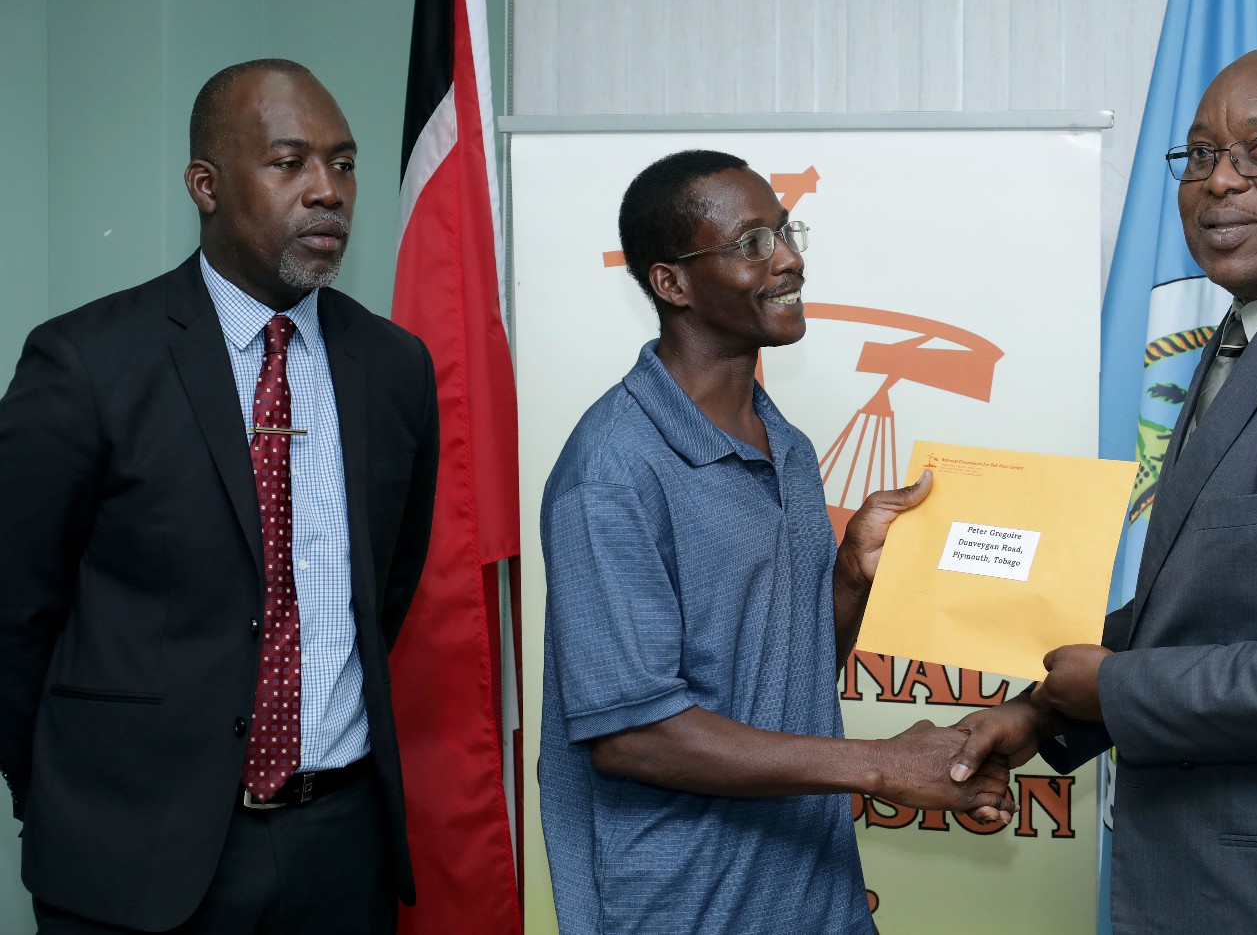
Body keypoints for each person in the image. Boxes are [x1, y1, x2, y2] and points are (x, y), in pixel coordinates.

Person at [950, 49, 1257, 934]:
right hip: (1217, 885)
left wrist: (1116, 690)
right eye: (1200, 155)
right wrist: (1042, 708)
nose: (1221, 181)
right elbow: (1213, 604)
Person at [0, 59, 440, 934]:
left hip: (340, 849)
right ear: (205, 185)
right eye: (289, 163)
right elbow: (14, 610)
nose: (328, 191)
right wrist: (64, 791)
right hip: (131, 852)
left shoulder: (395, 367)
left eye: (344, 164)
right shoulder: (87, 362)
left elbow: (386, 587)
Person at [538, 149, 1014, 935]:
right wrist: (885, 765)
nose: (789, 258)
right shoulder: (611, 469)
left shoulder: (785, 445)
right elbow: (635, 736)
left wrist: (850, 575)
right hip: (682, 912)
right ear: (671, 283)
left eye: (787, 232)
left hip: (818, 896)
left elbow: (785, 677)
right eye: (752, 243)